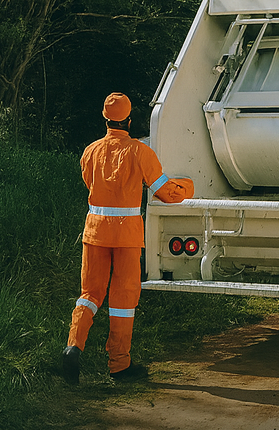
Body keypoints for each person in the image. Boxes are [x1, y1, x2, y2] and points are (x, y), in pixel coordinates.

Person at [62, 93, 193, 385]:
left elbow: (89, 184)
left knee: (89, 295)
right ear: (130, 121)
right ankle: (119, 365)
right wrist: (189, 185)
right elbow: (166, 193)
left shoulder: (90, 151)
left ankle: (73, 346)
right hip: (127, 236)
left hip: (95, 233)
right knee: (123, 299)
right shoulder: (140, 152)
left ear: (105, 119)